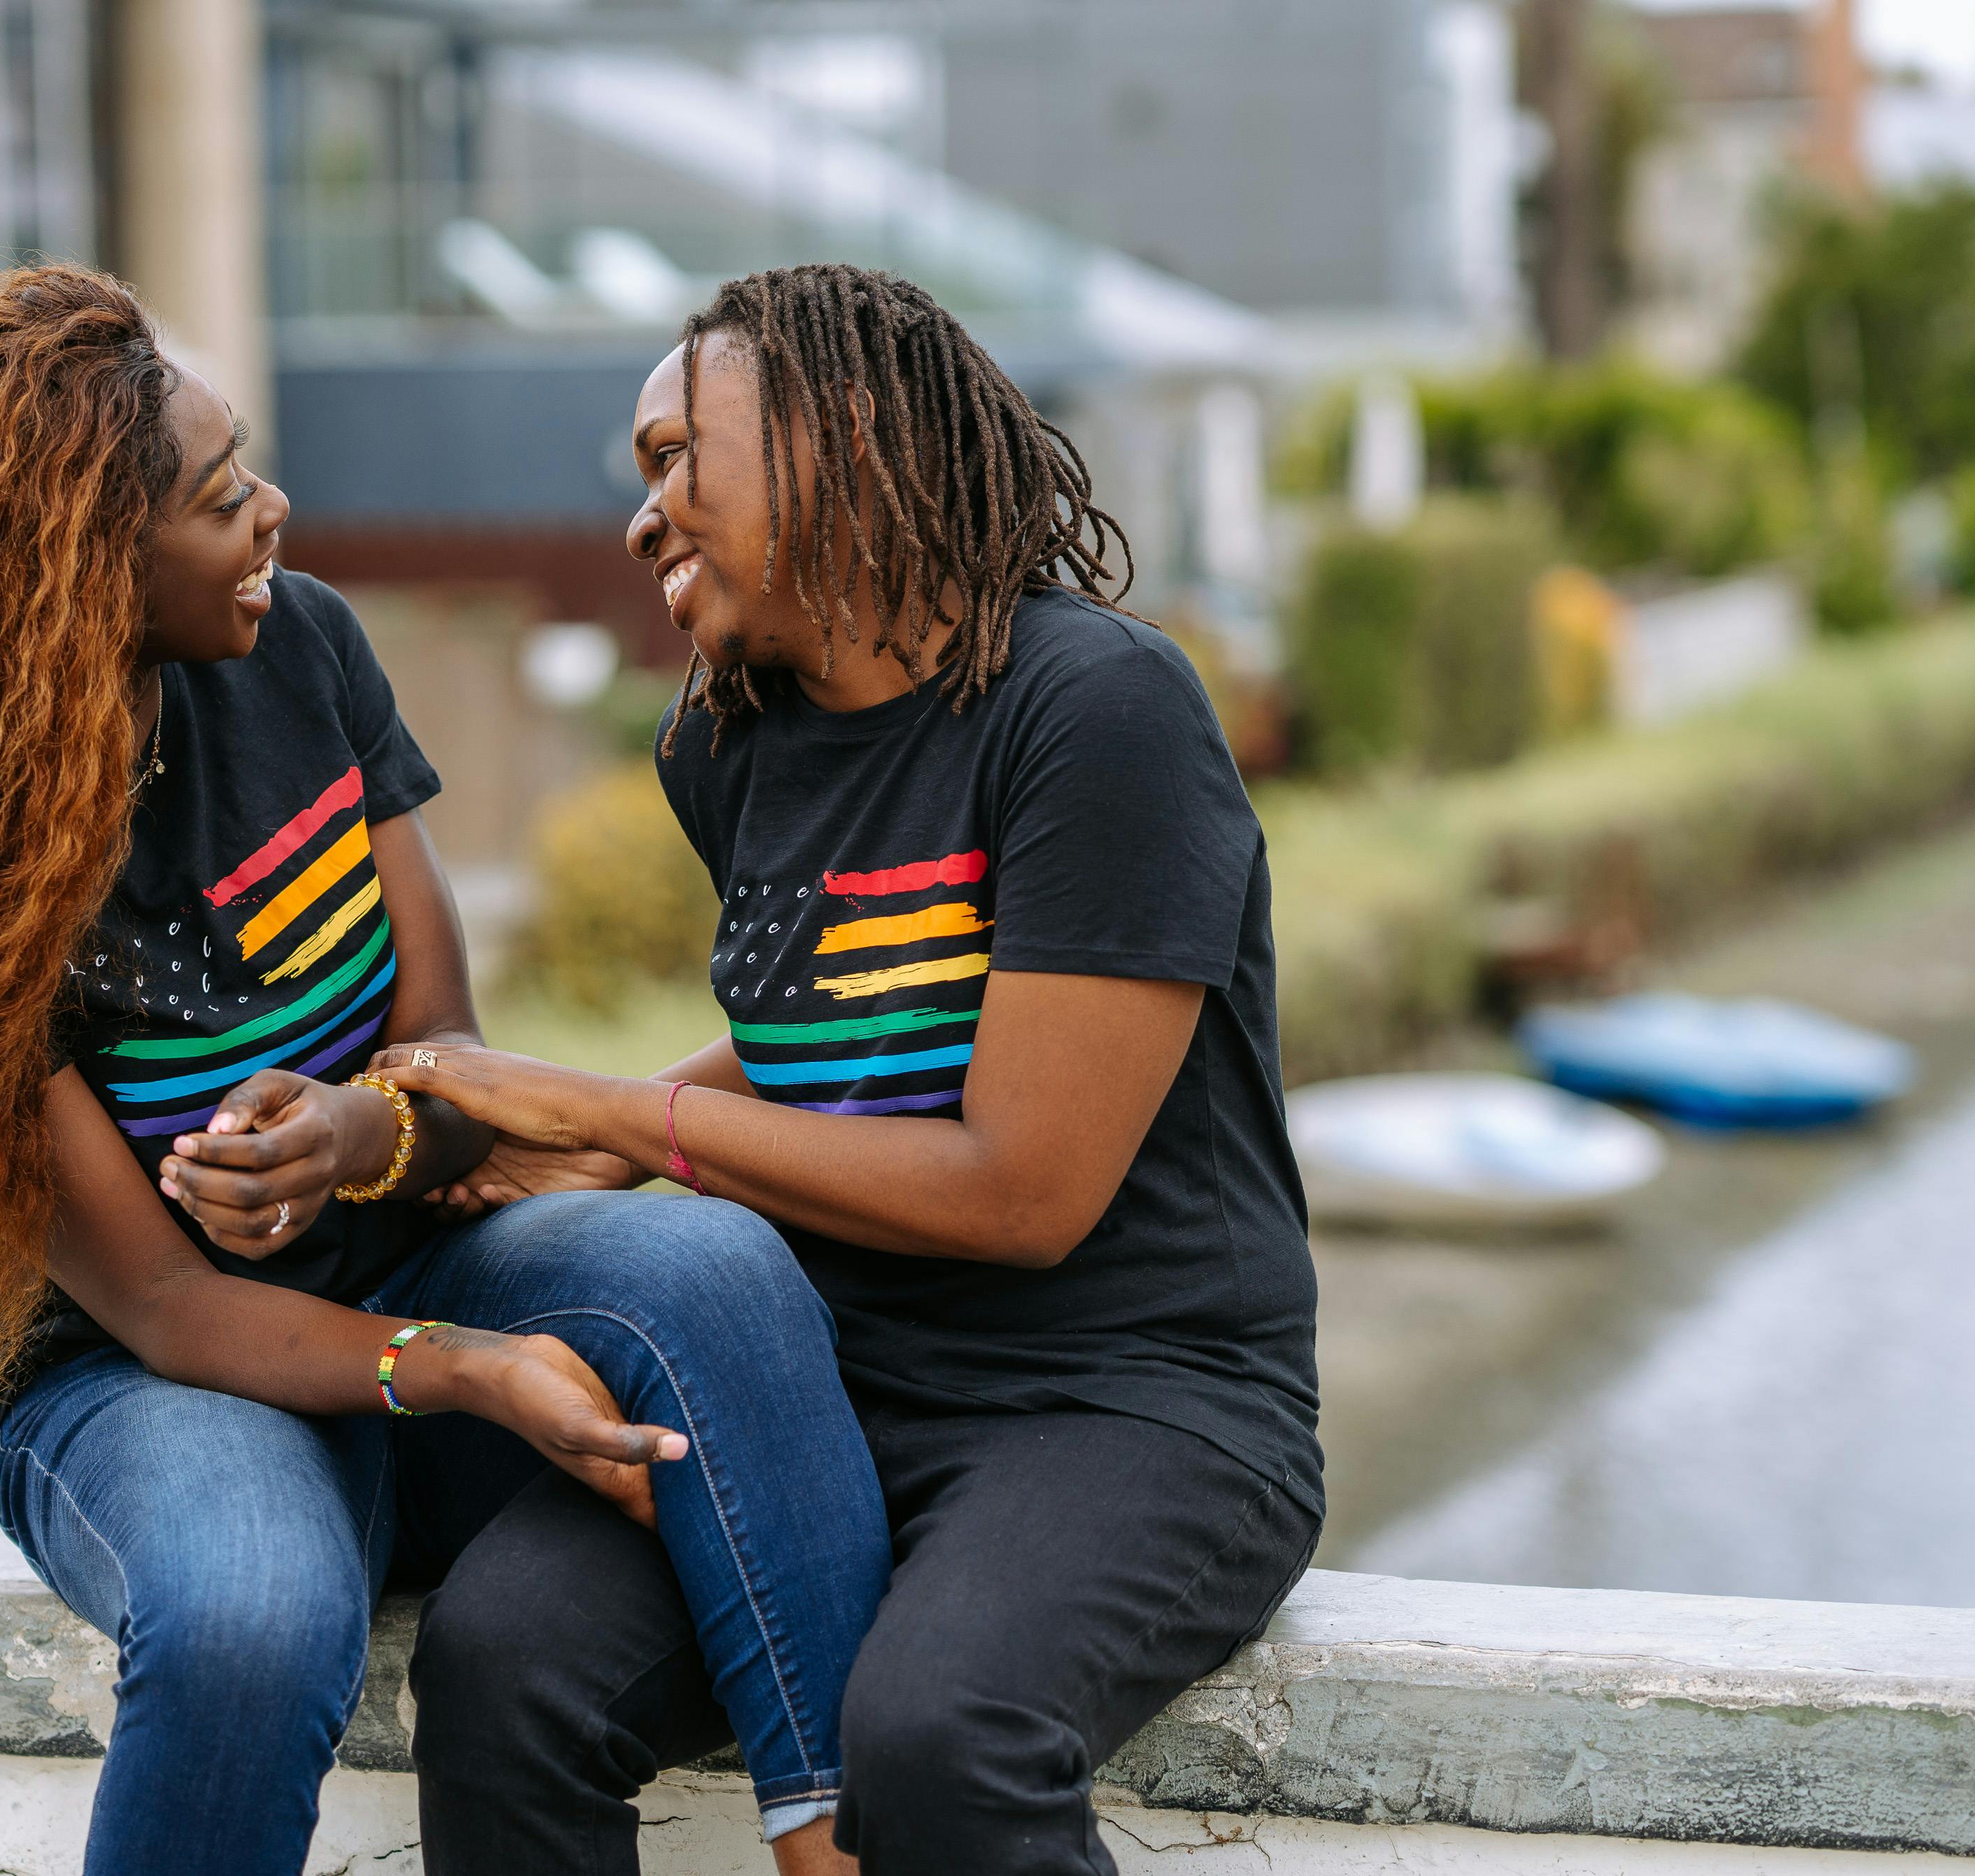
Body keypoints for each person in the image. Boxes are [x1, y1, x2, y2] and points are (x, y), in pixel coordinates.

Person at [0, 264, 889, 1876]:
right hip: (155, 1382)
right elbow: (162, 1301)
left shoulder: (304, 653)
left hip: (434, 1259)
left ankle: (833, 1836)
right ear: (79, 566)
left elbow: (445, 1059)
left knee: (708, 1263)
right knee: (249, 1612)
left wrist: (364, 1133)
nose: (274, 509)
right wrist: (472, 1370)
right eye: (223, 497)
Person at [367, 264, 1327, 1875]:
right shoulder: (721, 747)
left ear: (842, 435)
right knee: (501, 1663)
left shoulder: (1096, 708)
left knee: (936, 1736)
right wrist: (603, 1147)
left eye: (680, 455)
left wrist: (612, 1112)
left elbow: (1021, 1188)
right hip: (828, 1387)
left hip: (1138, 1403)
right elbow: (850, 1015)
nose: (642, 512)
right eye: (638, 475)